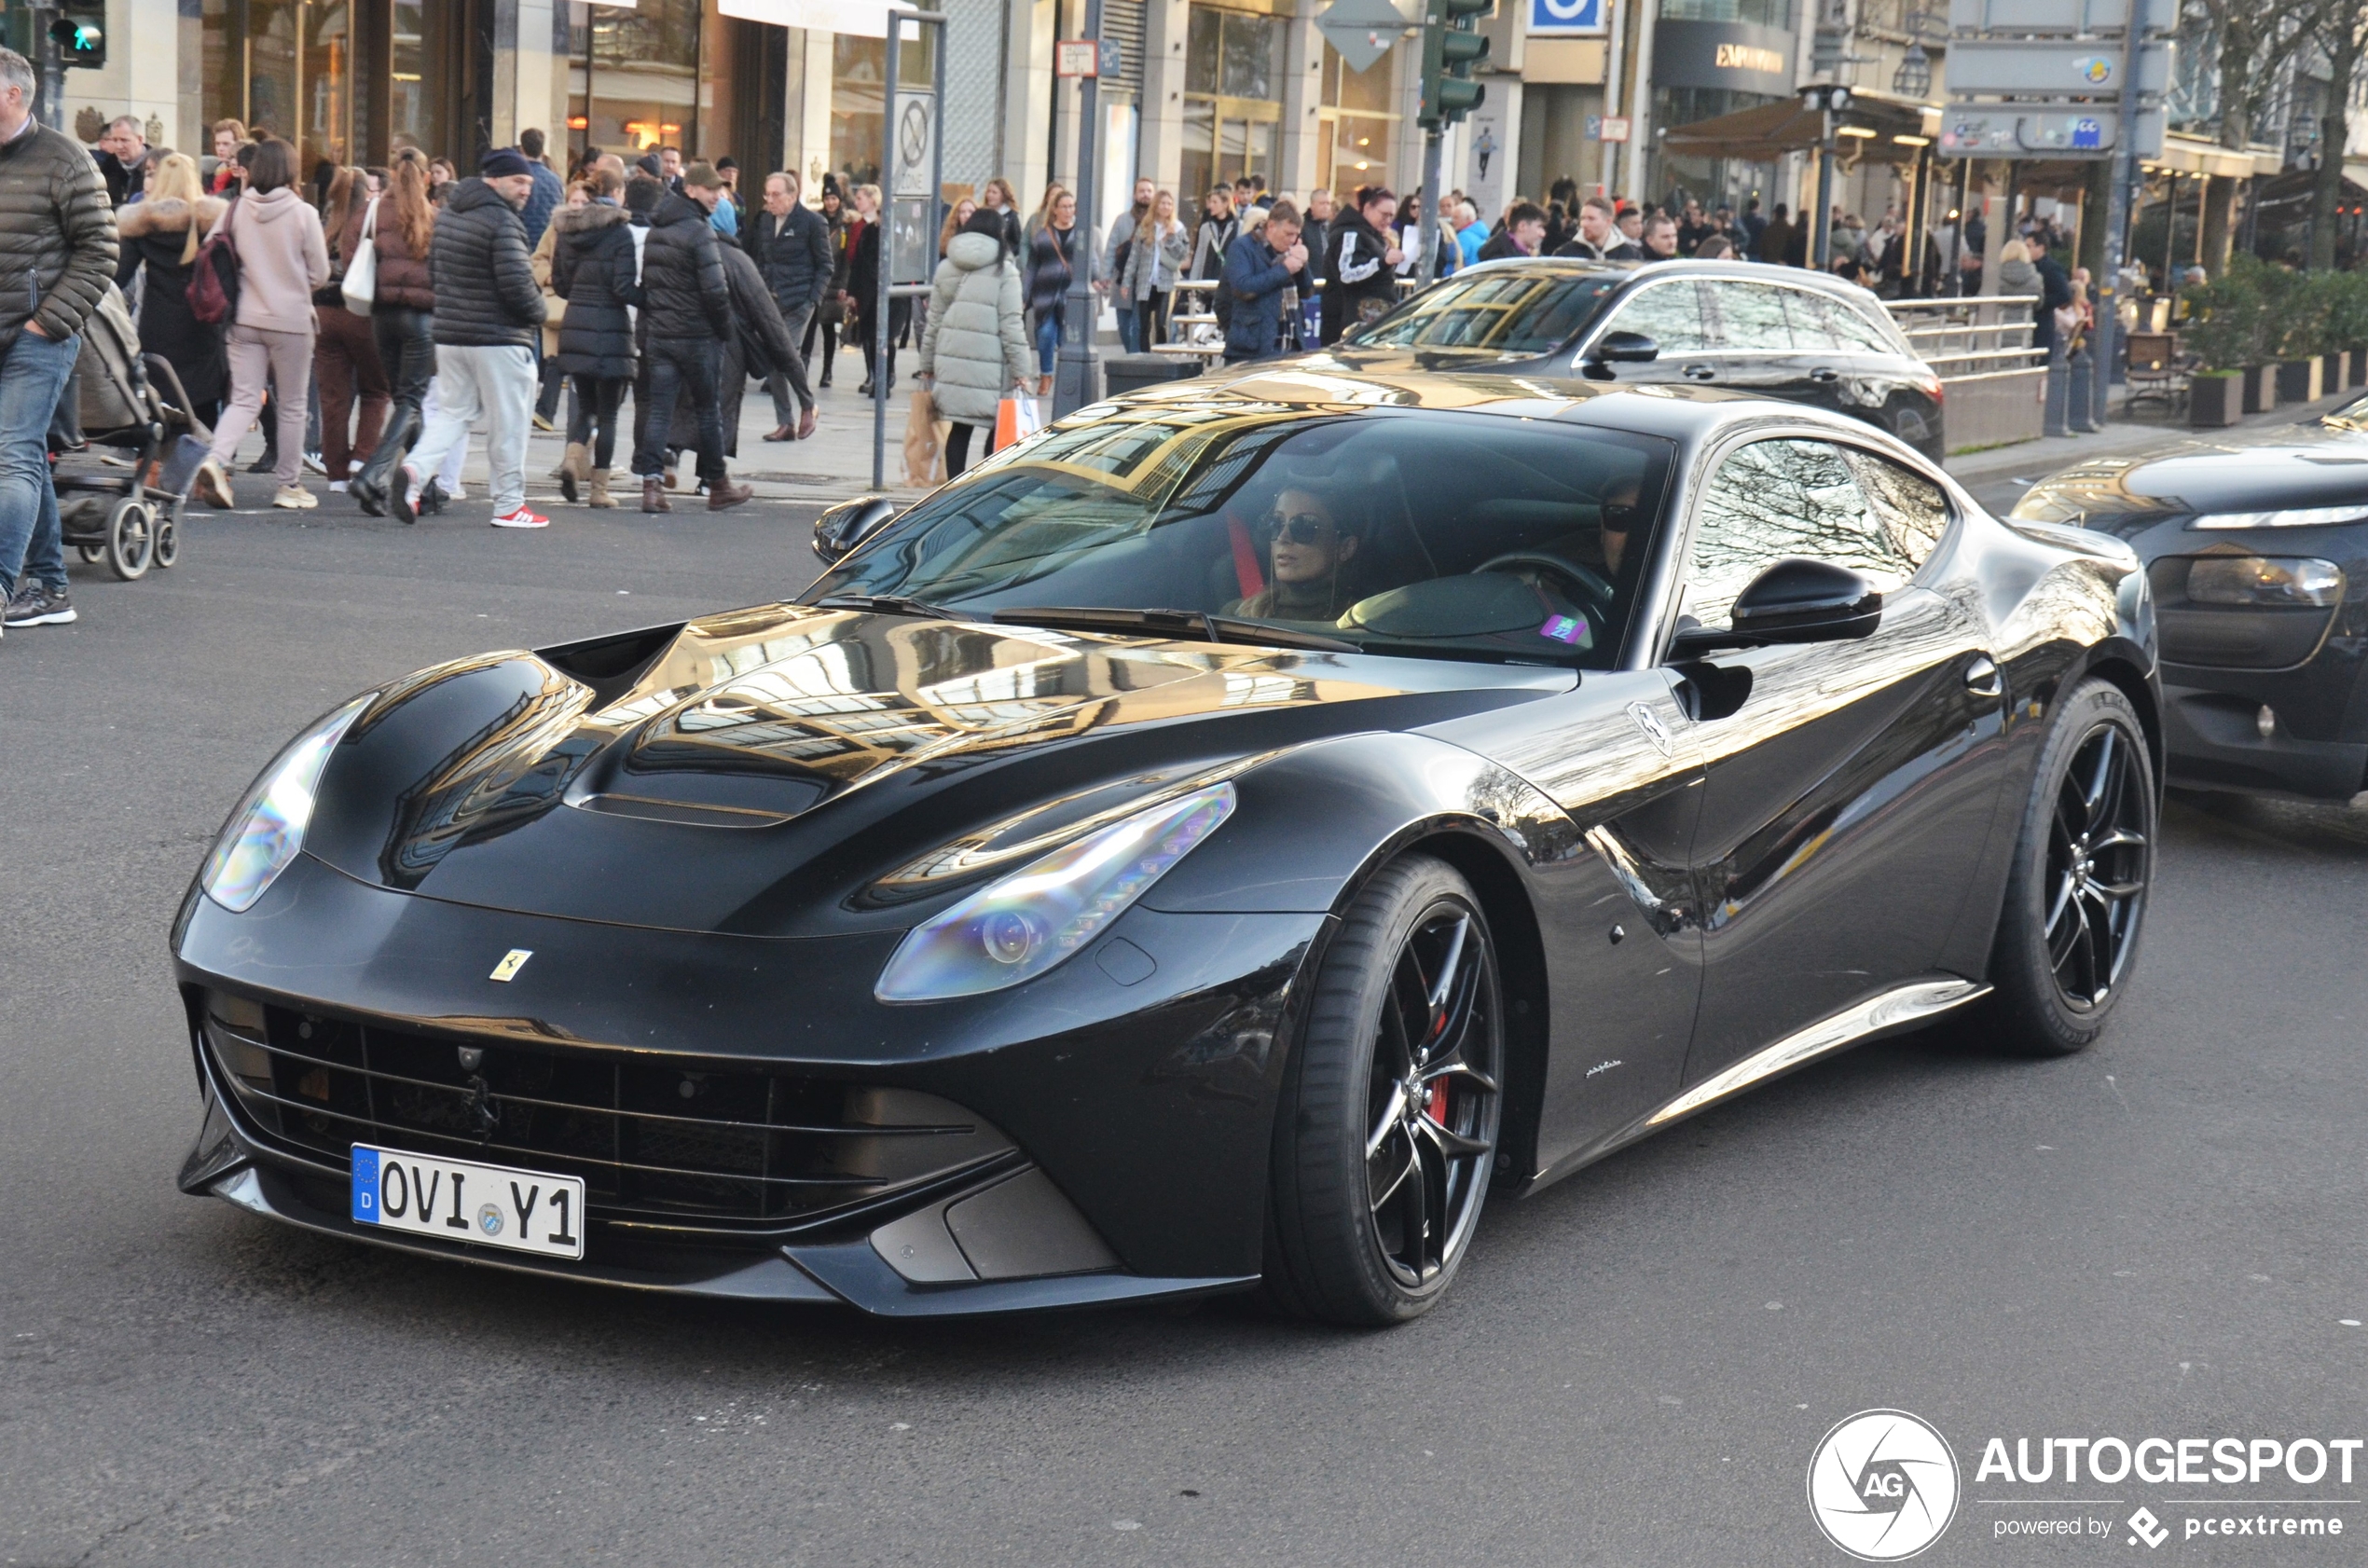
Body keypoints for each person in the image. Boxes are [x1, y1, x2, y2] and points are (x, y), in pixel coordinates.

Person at [0, 47, 116, 635]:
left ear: (13, 94)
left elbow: (100, 252)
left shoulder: (65, 159)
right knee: (23, 459)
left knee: (12, 456)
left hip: (38, 335)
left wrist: (46, 322)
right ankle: (50, 586)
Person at [397, 149, 547, 529]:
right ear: (493, 180)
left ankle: (415, 472)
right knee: (509, 424)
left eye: (529, 182)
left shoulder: (449, 216)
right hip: (499, 338)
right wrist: (540, 313)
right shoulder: (503, 222)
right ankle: (509, 504)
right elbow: (517, 284)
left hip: (451, 335)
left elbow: (434, 270)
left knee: (452, 413)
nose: (526, 189)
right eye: (518, 181)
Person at [196, 137, 326, 512]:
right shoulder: (303, 214)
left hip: (243, 317)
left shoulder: (235, 209)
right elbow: (319, 272)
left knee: (244, 398)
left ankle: (217, 458)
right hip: (291, 320)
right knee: (292, 404)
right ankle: (289, 484)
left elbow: (212, 248)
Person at [630, 161, 750, 514]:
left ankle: (651, 486)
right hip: (698, 337)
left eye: (720, 189)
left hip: (662, 337)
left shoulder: (658, 229)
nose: (718, 195)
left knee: (660, 412)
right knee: (707, 412)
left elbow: (648, 287)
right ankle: (719, 484)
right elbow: (716, 292)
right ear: (691, 190)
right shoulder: (699, 232)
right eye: (711, 189)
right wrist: (723, 331)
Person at [349, 148, 436, 517]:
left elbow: (349, 249)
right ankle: (372, 474)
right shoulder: (435, 217)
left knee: (404, 399)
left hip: (382, 316)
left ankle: (427, 488)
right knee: (411, 401)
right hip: (421, 319)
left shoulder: (373, 211)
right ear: (426, 177)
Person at [917, 208, 1032, 478]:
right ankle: (983, 487)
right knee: (997, 428)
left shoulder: (946, 267)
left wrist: (926, 365)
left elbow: (932, 321)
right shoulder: (1006, 272)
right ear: (999, 234)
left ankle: (954, 488)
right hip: (990, 369)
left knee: (959, 428)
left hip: (952, 361)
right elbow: (1012, 325)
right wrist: (1022, 371)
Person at [116, 153, 227, 432]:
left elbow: (118, 276)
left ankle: (154, 462)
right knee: (203, 398)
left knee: (160, 397)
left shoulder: (141, 223)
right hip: (202, 322)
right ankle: (203, 459)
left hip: (158, 323)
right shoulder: (214, 221)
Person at [550, 166, 638, 506]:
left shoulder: (568, 230)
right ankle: (600, 490)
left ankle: (572, 461)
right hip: (611, 329)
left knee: (585, 406)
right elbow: (624, 287)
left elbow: (560, 284)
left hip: (575, 326)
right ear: (616, 194)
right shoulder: (620, 233)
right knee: (609, 414)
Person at [314, 164, 390, 492]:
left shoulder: (324, 223)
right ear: (367, 193)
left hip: (324, 315)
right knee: (376, 390)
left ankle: (336, 475)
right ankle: (362, 456)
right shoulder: (370, 221)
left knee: (333, 397)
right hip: (361, 313)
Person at [752, 169, 831, 440]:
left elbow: (825, 265)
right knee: (774, 359)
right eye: (767, 194)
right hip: (771, 300)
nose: (770, 200)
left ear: (793, 195)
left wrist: (813, 299)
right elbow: (762, 259)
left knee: (785, 353)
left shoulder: (812, 222)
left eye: (776, 195)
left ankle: (808, 406)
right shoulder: (765, 221)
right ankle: (786, 422)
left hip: (799, 301)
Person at [1226, 489, 1362, 621]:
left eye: (1303, 527)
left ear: (1345, 548)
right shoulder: (1235, 615)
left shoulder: (1364, 623)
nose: (1282, 537)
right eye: (1276, 523)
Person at [1221, 198, 1306, 365]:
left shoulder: (1291, 249)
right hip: (1253, 348)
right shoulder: (1243, 247)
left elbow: (1307, 290)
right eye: (1288, 234)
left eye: (1296, 235)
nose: (1292, 240)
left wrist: (1302, 264)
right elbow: (1243, 288)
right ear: (1272, 226)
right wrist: (1285, 269)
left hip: (1291, 344)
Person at [528, 177, 582, 433]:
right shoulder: (555, 228)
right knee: (554, 359)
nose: (578, 206)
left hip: (582, 303)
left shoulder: (594, 232)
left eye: (583, 202)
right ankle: (545, 411)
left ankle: (547, 411)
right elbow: (538, 257)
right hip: (557, 301)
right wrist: (548, 277)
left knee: (564, 360)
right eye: (574, 201)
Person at [1025, 184, 1088, 395]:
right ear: (1055, 209)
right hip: (1045, 293)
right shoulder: (1043, 235)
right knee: (1045, 333)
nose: (1068, 210)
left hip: (1071, 295)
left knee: (1066, 339)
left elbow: (1091, 260)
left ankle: (1066, 379)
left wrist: (1097, 279)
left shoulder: (1080, 234)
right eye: (1064, 206)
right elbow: (1032, 267)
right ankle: (1046, 374)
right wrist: (1025, 294)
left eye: (1071, 206)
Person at [847, 183, 909, 396]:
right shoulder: (868, 231)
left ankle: (886, 376)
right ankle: (875, 375)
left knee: (887, 336)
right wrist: (852, 293)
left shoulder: (899, 233)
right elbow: (858, 263)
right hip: (869, 293)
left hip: (894, 295)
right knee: (871, 337)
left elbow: (906, 261)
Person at [1324, 186, 1409, 343]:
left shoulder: (1368, 235)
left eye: (1391, 216)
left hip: (1369, 321)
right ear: (1368, 208)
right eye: (1384, 214)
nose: (1388, 220)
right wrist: (1383, 262)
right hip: (1354, 323)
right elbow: (1348, 274)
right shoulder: (1351, 234)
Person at [1119, 189, 1188, 349]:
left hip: (1167, 282)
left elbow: (1183, 253)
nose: (1166, 207)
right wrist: (1126, 281)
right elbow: (1134, 256)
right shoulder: (1145, 227)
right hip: (1146, 281)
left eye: (1169, 204)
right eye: (1163, 203)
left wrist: (1170, 239)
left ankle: (1161, 355)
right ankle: (1145, 358)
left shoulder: (1177, 227)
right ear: (1156, 205)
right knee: (1144, 325)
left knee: (1161, 322)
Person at [802, 183, 848, 389]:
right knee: (810, 326)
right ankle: (803, 367)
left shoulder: (845, 223)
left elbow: (847, 259)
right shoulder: (816, 220)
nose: (830, 202)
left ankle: (827, 370)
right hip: (817, 278)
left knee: (829, 327)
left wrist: (845, 284)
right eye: (827, 199)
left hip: (836, 280)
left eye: (834, 199)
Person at [1104, 175, 1154, 353]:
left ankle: (1135, 362)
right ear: (1134, 195)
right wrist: (1105, 276)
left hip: (1146, 281)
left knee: (1138, 325)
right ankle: (1132, 356)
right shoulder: (1122, 220)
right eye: (1142, 191)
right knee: (1123, 325)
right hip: (1122, 278)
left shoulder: (1158, 221)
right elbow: (1111, 248)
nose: (1145, 195)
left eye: (1149, 191)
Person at [95, 116, 147, 208]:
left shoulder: (157, 167)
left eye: (124, 140)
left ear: (140, 140)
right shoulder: (106, 169)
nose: (119, 146)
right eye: (115, 140)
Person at [1478, 201, 1546, 262]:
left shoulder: (1530, 255)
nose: (1543, 234)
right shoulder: (1498, 261)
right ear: (1522, 226)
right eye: (1539, 227)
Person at [978, 176, 1025, 262]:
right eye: (988, 191)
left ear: (1003, 195)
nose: (990, 195)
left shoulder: (1012, 216)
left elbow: (1017, 242)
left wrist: (1007, 254)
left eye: (994, 192)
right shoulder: (981, 213)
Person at [207, 119, 245, 194]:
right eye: (217, 144)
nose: (220, 149)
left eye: (226, 144)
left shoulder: (244, 176)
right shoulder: (211, 175)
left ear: (238, 144)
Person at [1755, 201, 1794, 265]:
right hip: (1785, 265)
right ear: (1787, 214)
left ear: (1775, 214)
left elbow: (1762, 249)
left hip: (1769, 263)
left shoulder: (1768, 230)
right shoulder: (1791, 231)